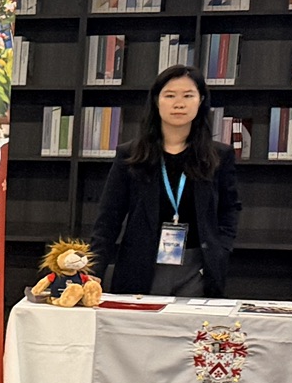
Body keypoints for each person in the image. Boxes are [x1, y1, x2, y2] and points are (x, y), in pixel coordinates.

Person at [90, 65, 241, 297]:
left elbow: (230, 209)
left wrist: (221, 249)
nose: (179, 104)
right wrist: (94, 269)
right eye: (170, 96)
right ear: (156, 100)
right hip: (141, 264)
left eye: (188, 96)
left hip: (198, 267)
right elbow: (109, 217)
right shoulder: (130, 155)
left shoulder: (219, 155)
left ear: (201, 100)